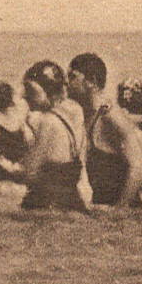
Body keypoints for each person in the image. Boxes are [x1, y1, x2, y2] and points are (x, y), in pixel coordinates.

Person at [73, 53, 142, 208]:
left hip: (121, 211)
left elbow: (138, 168)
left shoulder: (110, 116)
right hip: (99, 209)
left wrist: (119, 211)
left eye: (73, 77)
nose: (66, 83)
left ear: (91, 82)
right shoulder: (86, 113)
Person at [19, 60, 88, 212]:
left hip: (48, 205)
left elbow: (30, 172)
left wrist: (6, 168)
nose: (24, 96)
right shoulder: (73, 113)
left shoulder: (48, 122)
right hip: (72, 202)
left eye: (30, 91)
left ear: (48, 91)